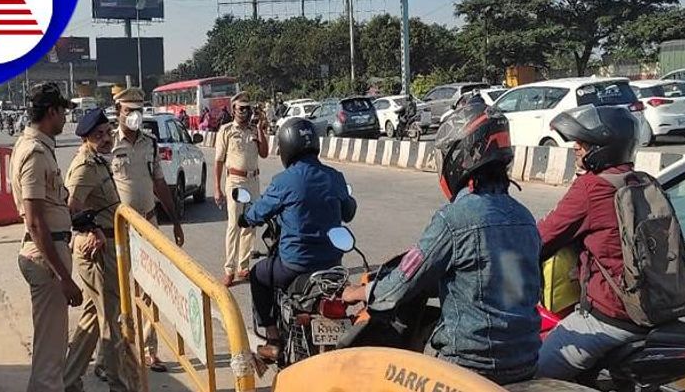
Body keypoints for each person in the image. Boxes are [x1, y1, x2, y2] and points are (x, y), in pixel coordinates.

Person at [341, 103, 542, 385]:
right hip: (525, 361)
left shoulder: (454, 219)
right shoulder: (524, 217)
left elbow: (399, 286)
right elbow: (507, 284)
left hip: (469, 366)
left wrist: (360, 291)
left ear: (461, 155)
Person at [536, 105, 647, 380]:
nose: (576, 148)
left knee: (533, 375)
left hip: (611, 317)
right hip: (655, 310)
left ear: (602, 147)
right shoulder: (641, 182)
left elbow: (540, 239)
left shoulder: (591, 188)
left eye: (583, 143)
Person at [240, 118, 356, 362]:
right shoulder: (334, 177)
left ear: (286, 147)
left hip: (294, 265)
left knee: (258, 276)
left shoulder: (285, 181)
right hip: (332, 266)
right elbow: (349, 212)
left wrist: (245, 218)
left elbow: (258, 212)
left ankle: (272, 340)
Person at [10, 83, 83, 392]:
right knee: (50, 356)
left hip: (49, 248)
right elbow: (36, 221)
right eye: (62, 112)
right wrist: (63, 276)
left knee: (50, 346)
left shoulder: (36, 146)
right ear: (51, 112)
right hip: (46, 253)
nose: (65, 119)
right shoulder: (35, 152)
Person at [110, 87, 185, 372]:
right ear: (118, 112)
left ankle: (150, 349)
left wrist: (175, 220)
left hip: (149, 223)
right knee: (119, 290)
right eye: (129, 111)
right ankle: (119, 349)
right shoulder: (108, 144)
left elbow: (159, 184)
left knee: (149, 287)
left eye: (138, 111)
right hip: (121, 227)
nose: (135, 117)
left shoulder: (150, 144)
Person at [63, 109, 127, 392]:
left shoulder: (98, 161)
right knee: (110, 319)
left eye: (107, 133)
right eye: (98, 135)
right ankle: (119, 384)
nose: (105, 139)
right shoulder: (85, 166)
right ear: (87, 138)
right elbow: (70, 206)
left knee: (92, 317)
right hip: (98, 250)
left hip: (108, 245)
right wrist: (91, 230)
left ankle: (67, 379)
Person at [213, 93, 269, 287]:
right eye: (240, 108)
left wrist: (261, 129)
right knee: (234, 224)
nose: (244, 112)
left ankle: (243, 266)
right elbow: (219, 161)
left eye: (247, 108)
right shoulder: (226, 131)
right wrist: (217, 188)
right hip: (235, 180)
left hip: (253, 180)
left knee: (250, 224)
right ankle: (229, 269)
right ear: (233, 109)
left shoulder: (254, 129)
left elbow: (264, 153)